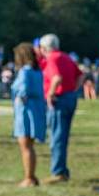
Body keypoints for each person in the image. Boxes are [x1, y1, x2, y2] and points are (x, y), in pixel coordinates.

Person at [39, 33, 82, 184]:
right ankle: (62, 170)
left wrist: (51, 94)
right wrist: (73, 90)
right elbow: (80, 75)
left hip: (59, 99)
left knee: (57, 136)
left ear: (44, 48)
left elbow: (57, 78)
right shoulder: (66, 57)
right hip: (70, 97)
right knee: (62, 136)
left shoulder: (51, 58)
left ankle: (58, 172)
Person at [10, 43, 46, 187]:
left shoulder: (25, 71)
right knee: (29, 145)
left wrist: (20, 98)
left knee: (25, 146)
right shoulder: (37, 71)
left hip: (26, 111)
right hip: (36, 109)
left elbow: (23, 90)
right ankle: (32, 176)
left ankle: (29, 177)